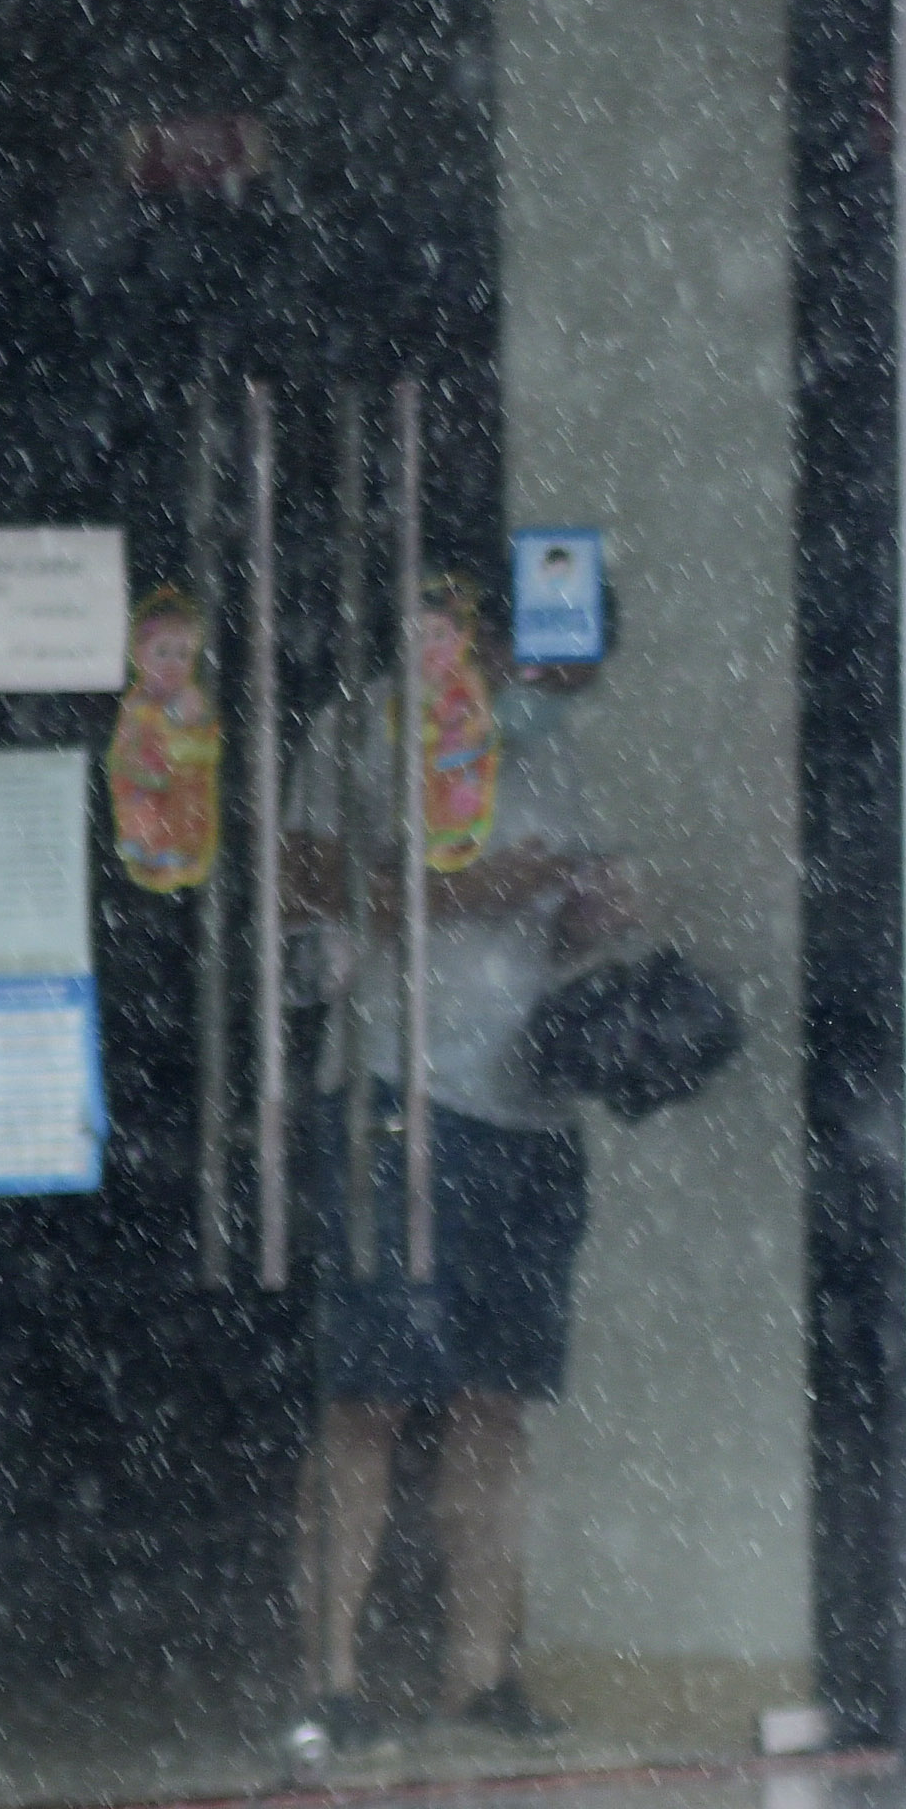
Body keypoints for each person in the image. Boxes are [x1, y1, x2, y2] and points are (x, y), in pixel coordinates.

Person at [290, 596, 628, 1747]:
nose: (549, 698)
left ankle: (480, 1673)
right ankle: (331, 1680)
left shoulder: (553, 753)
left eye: (572, 682)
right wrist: (454, 889)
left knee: (498, 1399)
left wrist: (592, 914)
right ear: (486, 639)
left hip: (528, 1104)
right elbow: (303, 881)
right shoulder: (366, 728)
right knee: (368, 1394)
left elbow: (555, 920)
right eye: (543, 669)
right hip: (400, 1088)